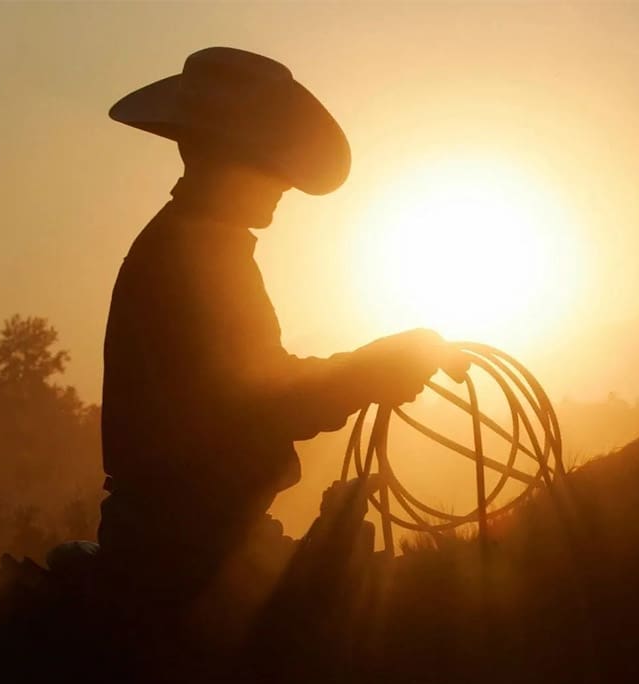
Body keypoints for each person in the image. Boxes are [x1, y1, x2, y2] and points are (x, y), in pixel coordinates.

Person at [100, 47, 464, 599]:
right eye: (273, 165)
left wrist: (384, 364)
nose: (285, 183)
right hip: (185, 556)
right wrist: (387, 363)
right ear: (225, 160)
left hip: (199, 538)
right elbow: (266, 399)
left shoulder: (195, 245)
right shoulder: (192, 257)